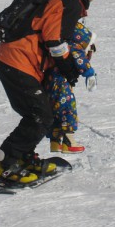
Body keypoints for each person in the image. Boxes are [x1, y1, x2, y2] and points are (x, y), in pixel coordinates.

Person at [0, 0, 102, 185]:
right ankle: (4, 165)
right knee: (39, 115)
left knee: (41, 114)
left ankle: (23, 158)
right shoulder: (70, 2)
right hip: (18, 62)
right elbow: (54, 40)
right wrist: (68, 67)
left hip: (12, 60)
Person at [45, 21, 97, 154]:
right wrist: (89, 73)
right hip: (61, 83)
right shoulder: (74, 46)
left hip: (50, 83)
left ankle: (55, 142)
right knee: (67, 108)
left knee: (55, 112)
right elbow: (80, 60)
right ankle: (69, 142)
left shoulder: (62, 47)